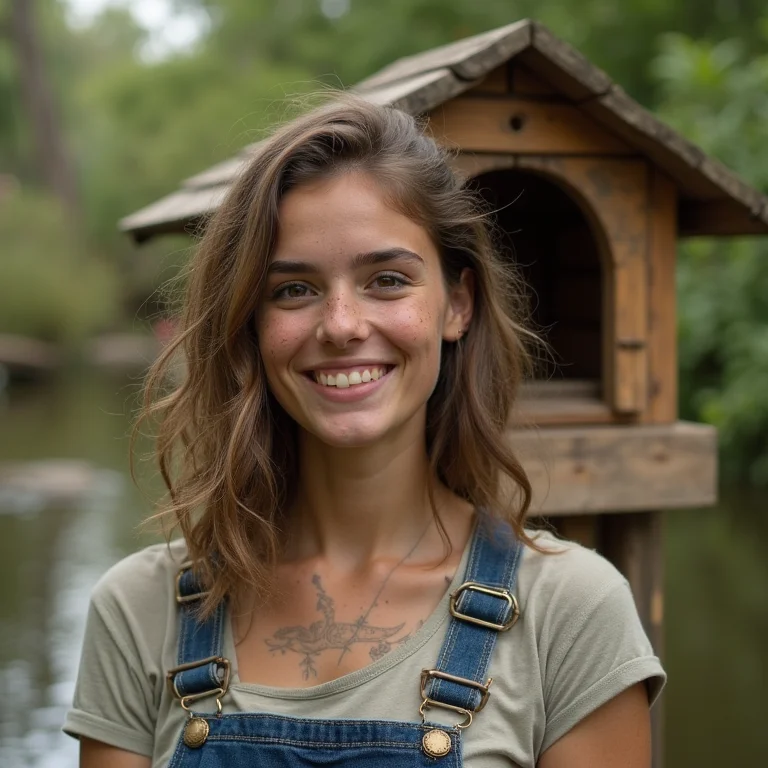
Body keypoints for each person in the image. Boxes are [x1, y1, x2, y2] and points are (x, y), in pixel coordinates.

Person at [64, 94, 665, 767]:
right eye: (294, 289)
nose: (342, 325)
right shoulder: (140, 609)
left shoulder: (572, 611)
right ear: (250, 324)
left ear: (457, 304)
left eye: (387, 280)